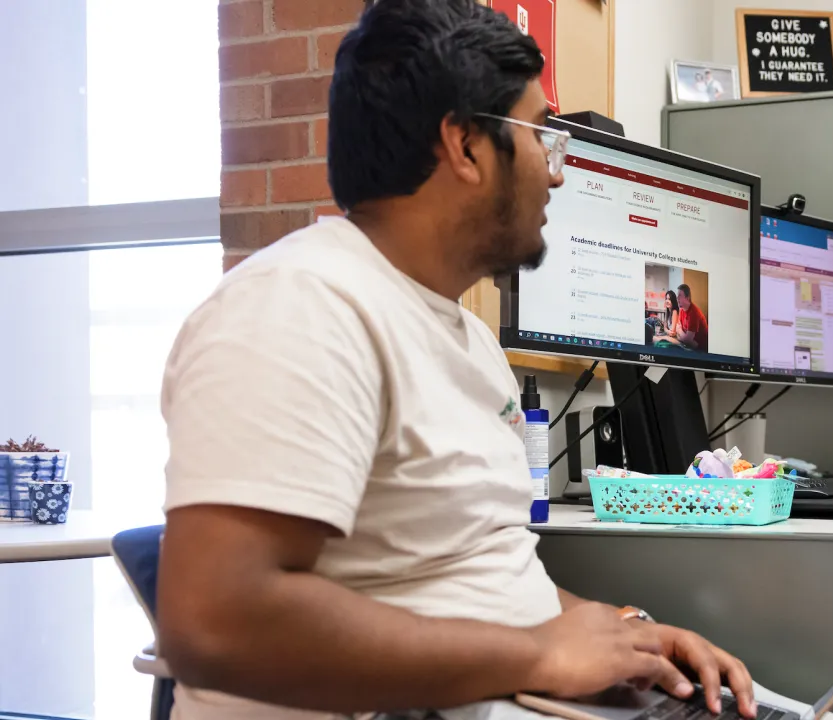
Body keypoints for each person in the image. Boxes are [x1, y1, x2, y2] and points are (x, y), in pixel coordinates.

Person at [156, 2, 758, 719]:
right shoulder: (298, 307)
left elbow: (483, 567)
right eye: (542, 138)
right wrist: (541, 656)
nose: (557, 175)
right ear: (466, 146)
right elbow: (217, 621)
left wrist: (626, 638)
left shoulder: (466, 338)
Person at [668, 283, 709, 352]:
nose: (677, 298)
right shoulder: (682, 310)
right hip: (690, 345)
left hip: (700, 349)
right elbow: (677, 328)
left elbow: (687, 340)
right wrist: (682, 335)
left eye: (680, 295)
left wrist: (680, 332)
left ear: (687, 298)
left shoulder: (694, 313)